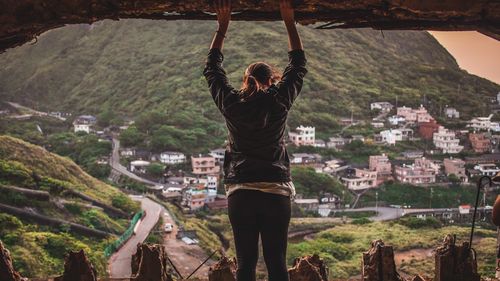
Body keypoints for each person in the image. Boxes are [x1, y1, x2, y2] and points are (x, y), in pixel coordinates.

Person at [203, 0, 306, 280]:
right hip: (275, 191)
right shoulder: (279, 102)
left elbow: (212, 69)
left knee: (246, 266)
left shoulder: (232, 104)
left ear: (245, 79)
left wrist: (222, 26)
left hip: (241, 192)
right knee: (277, 265)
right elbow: (298, 65)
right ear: (272, 80)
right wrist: (288, 20)